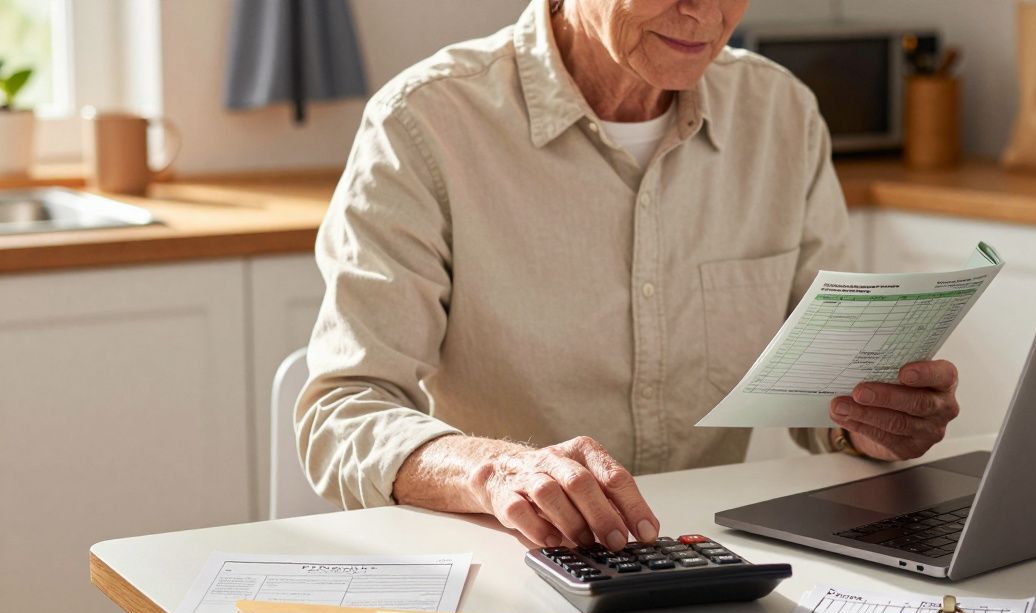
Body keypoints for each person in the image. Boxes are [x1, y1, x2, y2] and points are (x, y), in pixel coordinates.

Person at [297, 0, 960, 553]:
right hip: (509, 566)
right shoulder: (423, 125)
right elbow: (342, 411)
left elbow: (817, 386)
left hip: (713, 563)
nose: (703, 10)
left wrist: (867, 420)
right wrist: (496, 472)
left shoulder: (780, 115)